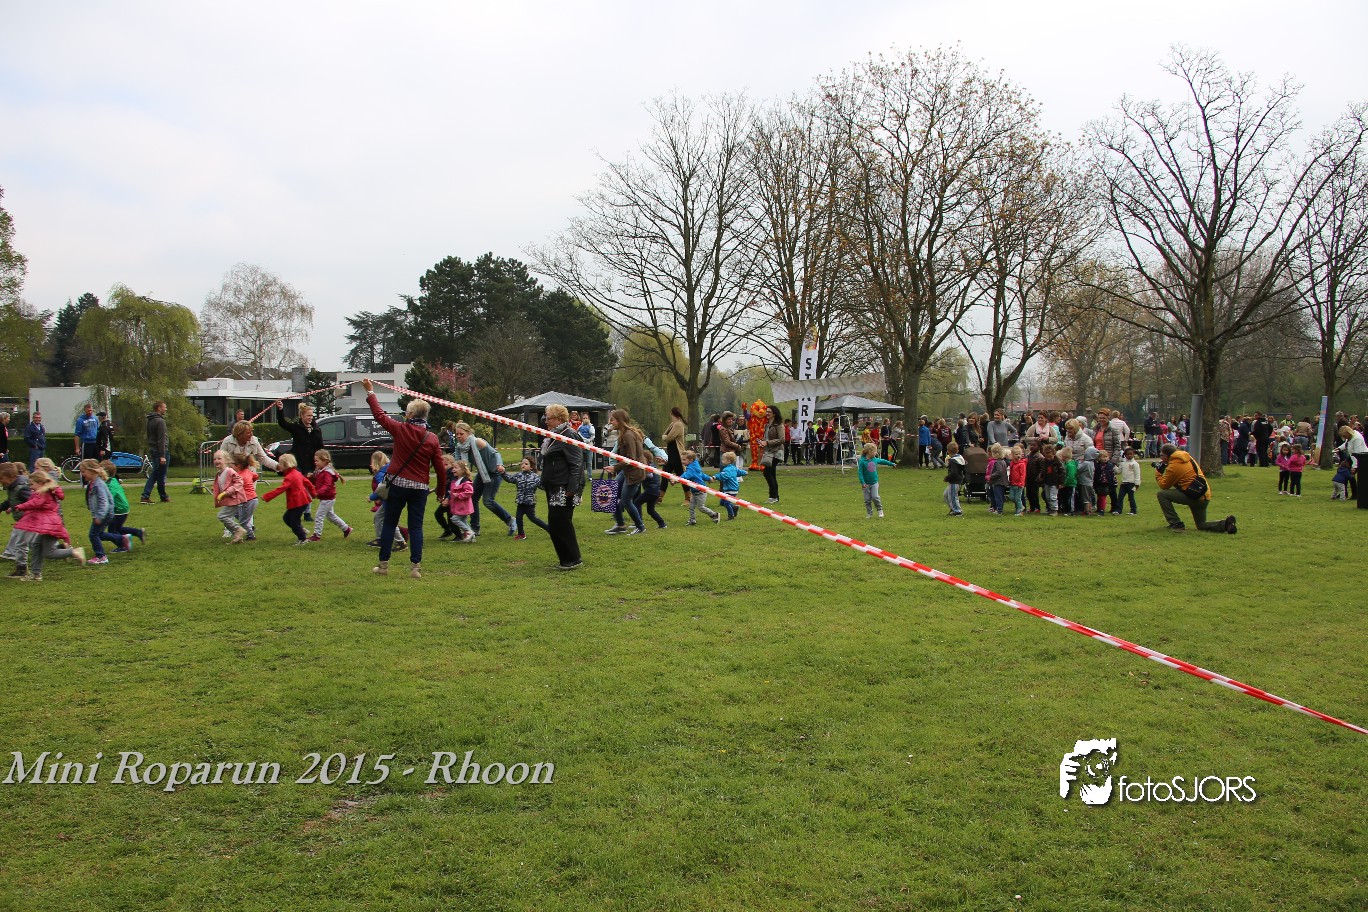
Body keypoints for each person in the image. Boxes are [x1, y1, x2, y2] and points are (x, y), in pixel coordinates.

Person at [362, 378, 445, 578]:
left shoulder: (401, 429)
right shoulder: (432, 438)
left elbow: (379, 415)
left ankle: (383, 565)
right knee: (416, 527)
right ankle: (415, 568)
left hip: (397, 485)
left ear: (410, 415)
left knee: (390, 523)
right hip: (419, 488)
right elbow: (440, 469)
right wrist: (440, 492)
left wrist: (370, 392)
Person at [10, 469, 85, 581]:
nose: (30, 487)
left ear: (40, 483)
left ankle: (74, 552)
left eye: (32, 484)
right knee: (36, 545)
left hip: (50, 526)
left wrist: (19, 507)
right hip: (48, 524)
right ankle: (36, 574)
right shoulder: (48, 490)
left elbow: (34, 503)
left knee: (49, 552)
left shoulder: (42, 492)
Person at [450, 421, 515, 537]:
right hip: (482, 474)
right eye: (457, 434)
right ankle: (475, 528)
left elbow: (496, 453)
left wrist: (500, 464)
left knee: (488, 501)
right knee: (472, 497)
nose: (459, 436)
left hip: (494, 473)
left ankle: (510, 520)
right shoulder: (460, 447)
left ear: (468, 433)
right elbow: (458, 463)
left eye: (461, 434)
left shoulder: (477, 442)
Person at [539, 403, 584, 570]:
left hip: (564, 486)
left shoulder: (569, 435)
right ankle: (565, 559)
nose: (546, 421)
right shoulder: (553, 436)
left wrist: (572, 489)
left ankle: (573, 559)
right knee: (555, 523)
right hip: (553, 485)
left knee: (560, 521)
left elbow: (576, 463)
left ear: (559, 419)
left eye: (549, 418)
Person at [1154, 443, 1234, 533]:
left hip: (1193, 495)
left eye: (1162, 455)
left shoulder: (1174, 466)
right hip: (1204, 494)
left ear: (1166, 455)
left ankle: (1176, 523)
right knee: (1201, 525)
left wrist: (1158, 473)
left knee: (1162, 495)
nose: (1161, 458)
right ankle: (1226, 524)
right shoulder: (1186, 457)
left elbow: (1164, 485)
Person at [275, 401, 323, 520]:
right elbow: (283, 423)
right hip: (298, 462)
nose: (310, 418)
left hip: (311, 463)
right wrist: (280, 410)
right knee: (299, 487)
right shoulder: (296, 428)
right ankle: (298, 510)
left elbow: (320, 447)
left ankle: (307, 513)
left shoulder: (316, 430)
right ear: (302, 416)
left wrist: (321, 461)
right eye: (308, 416)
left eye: (311, 416)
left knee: (309, 487)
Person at [604, 409, 648, 535]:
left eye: (612, 420)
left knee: (626, 500)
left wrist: (615, 468)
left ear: (619, 420)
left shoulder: (628, 435)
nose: (610, 422)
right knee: (612, 493)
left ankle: (640, 527)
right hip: (626, 470)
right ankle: (620, 524)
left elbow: (631, 459)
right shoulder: (624, 434)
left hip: (634, 472)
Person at [261, 453, 315, 545]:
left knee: (294, 521)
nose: (278, 465)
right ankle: (301, 531)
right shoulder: (296, 473)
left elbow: (280, 489)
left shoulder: (290, 477)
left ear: (286, 465)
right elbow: (308, 483)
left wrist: (267, 496)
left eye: (280, 463)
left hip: (298, 502)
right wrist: (313, 493)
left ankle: (303, 538)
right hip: (301, 502)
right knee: (287, 518)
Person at [79, 458, 118, 564]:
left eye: (83, 471)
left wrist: (99, 516)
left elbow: (104, 502)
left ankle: (101, 556)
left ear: (92, 471)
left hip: (104, 514)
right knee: (99, 534)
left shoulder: (98, 484)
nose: (82, 474)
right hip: (102, 514)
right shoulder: (93, 483)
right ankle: (121, 539)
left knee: (93, 534)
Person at [307, 450, 352, 541]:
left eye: (317, 461)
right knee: (331, 516)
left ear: (324, 461)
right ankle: (346, 529)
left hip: (328, 498)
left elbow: (327, 485)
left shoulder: (327, 473)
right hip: (326, 497)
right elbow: (318, 481)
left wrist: (318, 492)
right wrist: (311, 477)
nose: (315, 462)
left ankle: (317, 535)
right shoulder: (320, 471)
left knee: (319, 516)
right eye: (315, 461)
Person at [99, 459, 144, 549]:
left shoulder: (110, 485)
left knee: (112, 530)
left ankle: (123, 545)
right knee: (118, 528)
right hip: (123, 509)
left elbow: (108, 498)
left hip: (119, 510)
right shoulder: (113, 481)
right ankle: (138, 532)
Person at [367, 451, 405, 550]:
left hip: (391, 500)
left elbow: (383, 488)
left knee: (389, 521)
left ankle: (400, 542)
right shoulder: (389, 468)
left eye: (372, 462)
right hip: (395, 498)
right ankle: (381, 539)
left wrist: (372, 497)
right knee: (380, 517)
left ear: (375, 462)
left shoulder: (381, 473)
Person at [505, 457, 549, 540]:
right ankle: (521, 534)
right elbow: (509, 479)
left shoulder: (535, 477)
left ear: (531, 467)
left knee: (533, 518)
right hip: (520, 502)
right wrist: (502, 473)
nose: (523, 465)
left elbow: (543, 486)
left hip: (530, 503)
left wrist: (549, 486)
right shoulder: (518, 475)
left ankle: (549, 528)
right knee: (518, 518)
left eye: (526, 464)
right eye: (522, 463)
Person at [211, 450, 249, 544]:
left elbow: (239, 482)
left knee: (222, 516)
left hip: (234, 499)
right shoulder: (219, 473)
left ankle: (238, 530)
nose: (216, 461)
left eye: (219, 458)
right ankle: (238, 537)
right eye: (215, 459)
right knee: (226, 517)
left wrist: (227, 492)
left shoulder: (229, 471)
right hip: (229, 500)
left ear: (226, 460)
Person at [679, 449, 719, 525]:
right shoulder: (694, 466)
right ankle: (692, 520)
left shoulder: (691, 469)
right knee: (691, 507)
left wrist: (678, 479)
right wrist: (709, 478)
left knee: (701, 507)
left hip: (701, 491)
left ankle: (714, 514)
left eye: (684, 460)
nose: (682, 461)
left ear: (691, 460)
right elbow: (701, 475)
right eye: (682, 459)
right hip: (694, 492)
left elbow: (686, 475)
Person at [141, 401, 169, 504]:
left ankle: (163, 496)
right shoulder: (160, 421)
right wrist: (162, 455)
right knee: (157, 473)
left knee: (159, 473)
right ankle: (146, 495)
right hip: (160, 451)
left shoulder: (150, 420)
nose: (166, 409)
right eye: (164, 407)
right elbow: (161, 439)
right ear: (159, 408)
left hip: (153, 449)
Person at [857, 443, 896, 519]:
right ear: (869, 451)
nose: (876, 453)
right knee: (867, 500)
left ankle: (880, 510)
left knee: (875, 497)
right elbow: (860, 473)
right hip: (866, 484)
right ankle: (869, 513)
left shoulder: (875, 459)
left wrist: (891, 464)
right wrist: (863, 482)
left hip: (874, 483)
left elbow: (883, 461)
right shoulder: (862, 461)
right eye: (875, 451)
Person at [445, 460, 477, 543]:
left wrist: (459, 495)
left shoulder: (466, 481)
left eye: (456, 468)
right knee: (463, 521)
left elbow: (469, 492)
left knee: (454, 519)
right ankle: (472, 537)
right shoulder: (454, 481)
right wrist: (448, 500)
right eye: (453, 468)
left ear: (462, 470)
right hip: (457, 506)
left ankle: (469, 532)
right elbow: (452, 494)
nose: (453, 470)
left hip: (463, 506)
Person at [231, 451, 260, 540]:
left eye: (232, 464)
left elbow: (233, 487)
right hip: (252, 499)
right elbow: (256, 476)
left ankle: (251, 535)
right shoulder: (248, 472)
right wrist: (250, 482)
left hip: (248, 500)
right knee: (236, 513)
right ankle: (249, 526)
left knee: (243, 521)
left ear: (238, 465)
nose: (230, 466)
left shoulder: (239, 476)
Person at [710, 452, 748, 520]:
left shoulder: (727, 470)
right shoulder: (733, 468)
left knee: (727, 503)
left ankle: (731, 515)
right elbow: (738, 472)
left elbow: (723, 475)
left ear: (729, 461)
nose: (722, 461)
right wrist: (744, 472)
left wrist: (715, 477)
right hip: (730, 489)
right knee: (722, 502)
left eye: (723, 459)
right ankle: (734, 507)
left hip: (731, 489)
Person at [661, 406, 687, 504]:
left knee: (680, 476)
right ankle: (660, 497)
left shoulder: (678, 425)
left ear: (671, 414)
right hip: (671, 454)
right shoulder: (673, 424)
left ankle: (688, 497)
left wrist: (665, 437)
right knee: (665, 474)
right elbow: (664, 435)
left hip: (677, 454)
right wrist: (665, 437)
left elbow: (669, 438)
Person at [761, 407, 784, 504]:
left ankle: (773, 496)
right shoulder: (767, 425)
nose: (767, 413)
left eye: (769, 412)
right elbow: (766, 437)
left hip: (776, 452)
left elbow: (782, 439)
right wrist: (762, 442)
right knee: (771, 473)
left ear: (774, 413)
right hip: (768, 452)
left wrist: (767, 443)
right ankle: (774, 496)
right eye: (767, 412)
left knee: (767, 472)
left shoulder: (779, 425)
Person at [942, 442, 965, 517]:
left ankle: (957, 511)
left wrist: (947, 478)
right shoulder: (959, 458)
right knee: (946, 495)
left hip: (954, 481)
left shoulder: (953, 461)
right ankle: (952, 508)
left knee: (952, 496)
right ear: (957, 450)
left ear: (948, 451)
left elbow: (954, 473)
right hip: (957, 480)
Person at [1008, 445, 1027, 516]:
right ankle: (1021, 506)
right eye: (1016, 454)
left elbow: (1023, 475)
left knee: (1017, 498)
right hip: (1013, 483)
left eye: (1019, 454)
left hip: (1019, 484)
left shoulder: (1021, 464)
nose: (1018, 456)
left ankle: (1019, 511)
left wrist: (1021, 483)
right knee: (1011, 497)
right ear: (1012, 455)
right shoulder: (1012, 463)